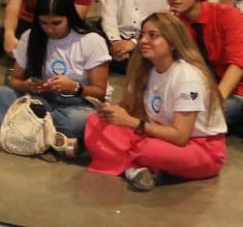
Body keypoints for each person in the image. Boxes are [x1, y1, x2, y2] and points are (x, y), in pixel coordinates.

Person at [85, 11, 228, 191]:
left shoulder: (187, 77)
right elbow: (128, 108)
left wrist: (130, 122)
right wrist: (111, 112)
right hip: (155, 133)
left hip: (199, 146)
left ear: (173, 43)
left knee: (148, 149)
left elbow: (180, 137)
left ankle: (130, 166)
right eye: (142, 35)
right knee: (95, 121)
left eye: (153, 36)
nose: (143, 41)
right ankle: (139, 168)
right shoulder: (146, 68)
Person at [0, 0, 109, 151]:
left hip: (77, 103)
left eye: (56, 23)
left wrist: (75, 88)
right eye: (44, 23)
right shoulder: (30, 37)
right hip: (41, 100)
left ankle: (21, 127)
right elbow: (15, 80)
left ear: (69, 18)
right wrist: (27, 85)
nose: (49, 29)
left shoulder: (91, 41)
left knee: (82, 120)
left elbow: (100, 92)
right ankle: (54, 139)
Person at [161, 0, 243, 135]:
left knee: (195, 122)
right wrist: (163, 29)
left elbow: (238, 64)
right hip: (202, 89)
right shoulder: (176, 23)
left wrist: (216, 99)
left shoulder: (227, 15)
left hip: (235, 90)